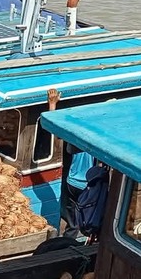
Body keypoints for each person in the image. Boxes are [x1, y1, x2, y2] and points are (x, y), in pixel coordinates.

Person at [47, 88, 95, 238]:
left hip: (72, 183)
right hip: (87, 185)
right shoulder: (97, 139)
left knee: (72, 222)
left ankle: (68, 243)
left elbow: (54, 129)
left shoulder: (74, 136)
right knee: (88, 215)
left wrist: (52, 104)